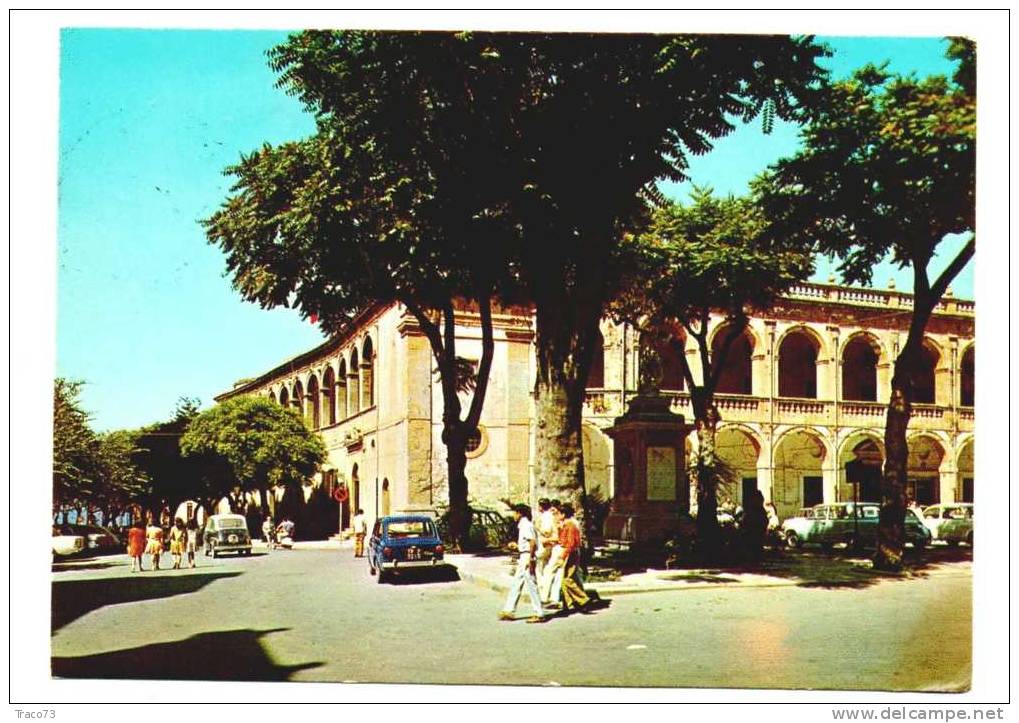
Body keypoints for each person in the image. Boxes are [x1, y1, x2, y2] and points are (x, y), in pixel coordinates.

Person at [498, 504, 548, 624]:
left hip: (527, 556)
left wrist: (530, 559)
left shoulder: (526, 525)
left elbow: (532, 543)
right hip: (524, 554)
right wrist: (518, 546)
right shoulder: (524, 525)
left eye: (515, 513)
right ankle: (509, 609)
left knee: (531, 584)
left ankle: (539, 613)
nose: (513, 515)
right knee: (517, 582)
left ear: (520, 513)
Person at [555, 503, 591, 613]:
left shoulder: (570, 525)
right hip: (570, 552)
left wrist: (563, 556)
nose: (556, 516)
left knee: (568, 579)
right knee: (564, 579)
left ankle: (583, 599)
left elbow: (570, 543)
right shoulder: (566, 525)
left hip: (571, 553)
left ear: (563, 514)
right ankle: (569, 604)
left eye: (558, 514)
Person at [534, 498, 557, 582]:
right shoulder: (551, 515)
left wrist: (537, 527)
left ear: (541, 506)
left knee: (541, 568)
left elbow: (546, 532)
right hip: (549, 544)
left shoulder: (546, 516)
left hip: (545, 544)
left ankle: (543, 586)